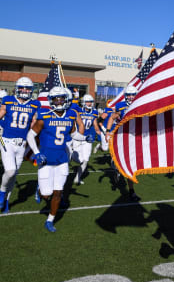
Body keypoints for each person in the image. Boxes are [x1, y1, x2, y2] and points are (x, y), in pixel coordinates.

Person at [26, 86, 92, 232]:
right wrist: (36, 153)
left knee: (58, 193)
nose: (59, 101)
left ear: (66, 99)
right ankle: (40, 189)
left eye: (61, 98)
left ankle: (50, 220)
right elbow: (30, 135)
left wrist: (85, 137)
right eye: (56, 99)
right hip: (46, 161)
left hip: (62, 160)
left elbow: (74, 134)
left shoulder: (70, 115)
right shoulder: (45, 116)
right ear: (51, 100)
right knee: (46, 194)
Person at [0, 77, 40, 212]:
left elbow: (34, 124)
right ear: (17, 88)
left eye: (27, 88)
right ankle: (1, 192)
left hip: (22, 144)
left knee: (14, 175)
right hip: (7, 141)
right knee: (10, 171)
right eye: (22, 87)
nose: (24, 90)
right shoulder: (8, 100)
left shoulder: (34, 104)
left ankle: (6, 201)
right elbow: (1, 113)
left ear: (31, 90)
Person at [106, 85, 140, 202]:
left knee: (131, 165)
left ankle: (131, 191)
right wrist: (108, 131)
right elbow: (112, 117)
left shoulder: (140, 103)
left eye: (132, 95)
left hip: (134, 137)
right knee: (120, 160)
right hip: (121, 136)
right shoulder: (120, 106)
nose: (131, 97)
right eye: (129, 95)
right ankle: (116, 166)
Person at [72, 94, 100, 185]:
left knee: (86, 160)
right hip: (78, 137)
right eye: (88, 102)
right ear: (83, 102)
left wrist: (100, 132)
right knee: (78, 159)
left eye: (91, 102)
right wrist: (76, 97)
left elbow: (95, 124)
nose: (89, 104)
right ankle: (71, 155)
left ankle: (78, 178)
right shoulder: (78, 111)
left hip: (88, 138)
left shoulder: (94, 112)